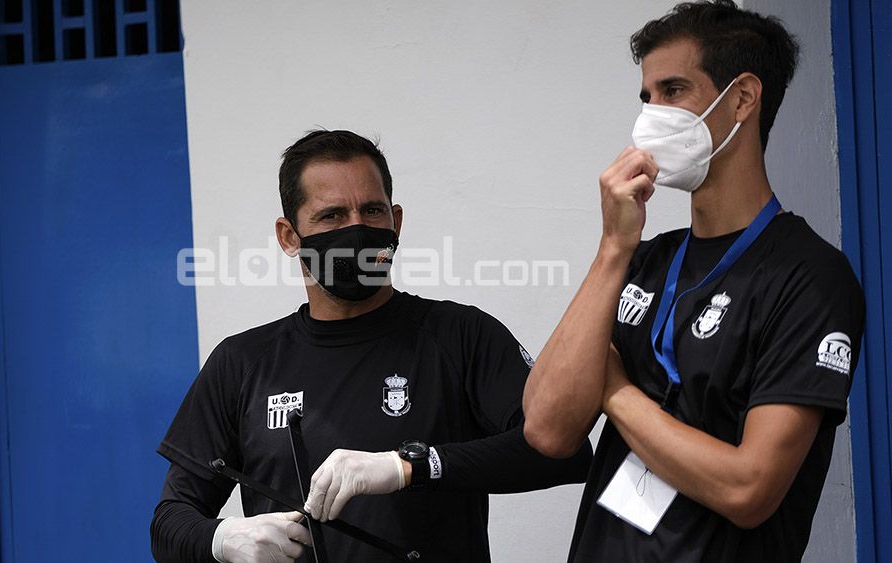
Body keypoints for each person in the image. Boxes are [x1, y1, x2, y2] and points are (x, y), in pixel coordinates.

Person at [522, 2, 865, 562]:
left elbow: (749, 488)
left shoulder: (809, 277)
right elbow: (547, 428)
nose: (650, 117)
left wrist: (616, 392)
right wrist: (612, 248)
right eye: (646, 97)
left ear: (742, 98)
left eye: (673, 90)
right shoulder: (644, 259)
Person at [151, 129, 592, 563]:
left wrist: (413, 466)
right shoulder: (242, 362)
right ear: (289, 236)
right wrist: (222, 538)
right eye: (332, 216)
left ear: (396, 221)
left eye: (372, 210)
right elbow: (170, 522)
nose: (357, 229)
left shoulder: (461, 335)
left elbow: (563, 455)